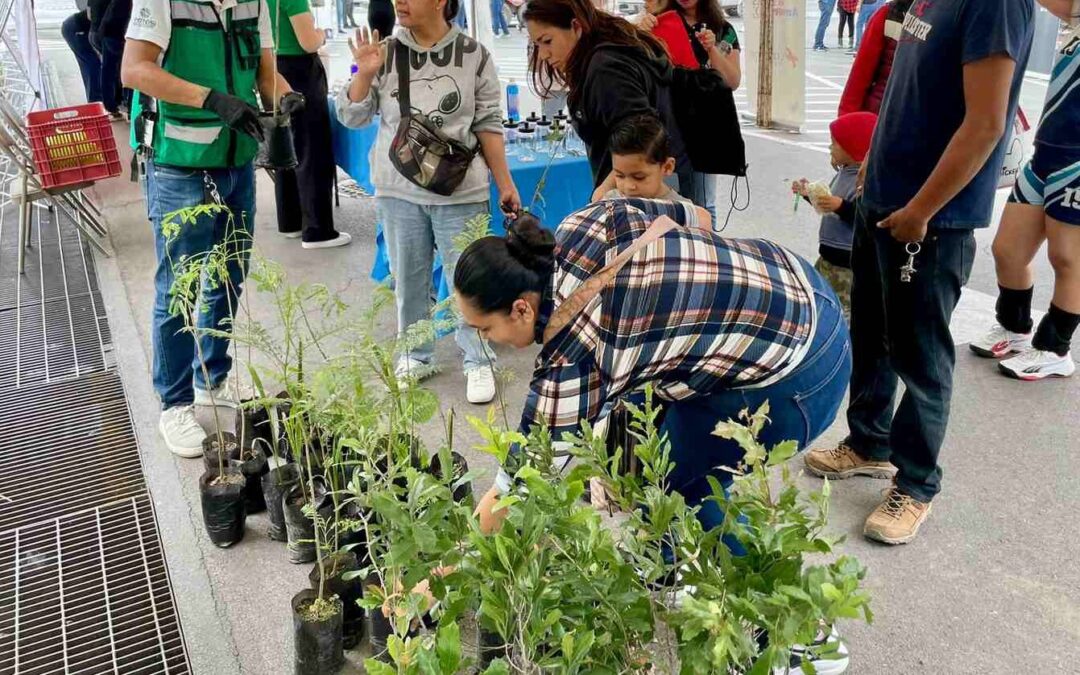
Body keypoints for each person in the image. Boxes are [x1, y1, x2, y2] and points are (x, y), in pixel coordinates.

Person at [454, 200, 852, 669]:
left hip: (795, 374)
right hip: (796, 287)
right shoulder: (582, 223)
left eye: (484, 329)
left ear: (521, 309)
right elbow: (694, 216)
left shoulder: (575, 354)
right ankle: (661, 562)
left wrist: (440, 574)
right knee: (652, 455)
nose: (486, 342)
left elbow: (517, 485)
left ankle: (806, 634)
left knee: (691, 488)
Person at [805, 0, 1036, 545]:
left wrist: (922, 210)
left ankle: (918, 483)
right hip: (881, 198)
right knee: (872, 335)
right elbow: (906, 93)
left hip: (929, 219)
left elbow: (985, 123)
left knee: (922, 357)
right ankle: (868, 444)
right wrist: (871, 164)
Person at [123, 0, 296, 457]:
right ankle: (174, 403)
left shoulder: (257, 3)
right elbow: (135, 70)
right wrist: (211, 98)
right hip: (180, 163)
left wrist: (284, 96)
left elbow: (264, 74)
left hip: (237, 159)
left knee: (228, 276)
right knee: (180, 286)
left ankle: (211, 376)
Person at [336, 0, 521, 404]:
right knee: (409, 278)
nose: (398, 2)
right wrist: (364, 74)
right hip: (398, 191)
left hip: (461, 189)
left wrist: (504, 182)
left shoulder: (474, 55)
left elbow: (488, 121)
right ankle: (415, 354)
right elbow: (351, 115)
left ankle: (477, 358)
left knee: (467, 279)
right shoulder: (382, 53)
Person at [970, 7, 1079, 380]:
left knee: (1067, 257)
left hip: (1077, 162)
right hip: (1046, 152)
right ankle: (1015, 329)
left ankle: (1054, 349)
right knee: (1007, 249)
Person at [523, 0, 694, 204]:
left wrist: (603, 192)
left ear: (576, 27)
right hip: (651, 186)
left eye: (547, 41)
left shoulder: (606, 68)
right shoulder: (607, 50)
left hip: (643, 197)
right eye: (537, 45)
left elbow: (640, 134)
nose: (543, 55)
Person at [270, 0, 351, 248]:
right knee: (312, 149)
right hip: (300, 72)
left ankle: (290, 221)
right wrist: (321, 34)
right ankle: (317, 230)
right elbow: (307, 41)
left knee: (286, 144)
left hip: (273, 69)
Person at [792, 111, 878, 320]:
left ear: (853, 148)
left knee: (840, 311)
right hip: (827, 257)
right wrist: (808, 194)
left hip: (846, 263)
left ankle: (842, 346)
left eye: (835, 143)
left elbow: (864, 217)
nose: (831, 147)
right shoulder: (843, 173)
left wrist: (840, 206)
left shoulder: (864, 181)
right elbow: (828, 203)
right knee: (816, 299)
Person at [672, 0, 740, 221]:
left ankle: (705, 251)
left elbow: (733, 80)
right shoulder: (662, 22)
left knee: (702, 203)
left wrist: (712, 49)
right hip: (666, 121)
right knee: (666, 202)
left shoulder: (723, 30)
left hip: (704, 125)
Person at [838, 0, 913, 115]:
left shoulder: (944, 19)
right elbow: (859, 76)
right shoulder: (887, 15)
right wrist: (846, 121)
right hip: (881, 115)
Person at [603, 114, 693, 204]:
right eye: (620, 176)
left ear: (667, 167)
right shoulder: (610, 201)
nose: (628, 187)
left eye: (639, 177)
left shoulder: (684, 210)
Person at [88, 0, 132, 119]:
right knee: (125, 70)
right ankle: (126, 108)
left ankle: (112, 106)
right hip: (116, 35)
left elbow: (89, 15)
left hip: (100, 32)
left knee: (109, 71)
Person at [62, 5, 103, 106]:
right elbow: (90, 15)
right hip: (74, 28)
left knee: (93, 64)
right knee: (92, 64)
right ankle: (95, 102)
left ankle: (98, 99)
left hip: (81, 29)